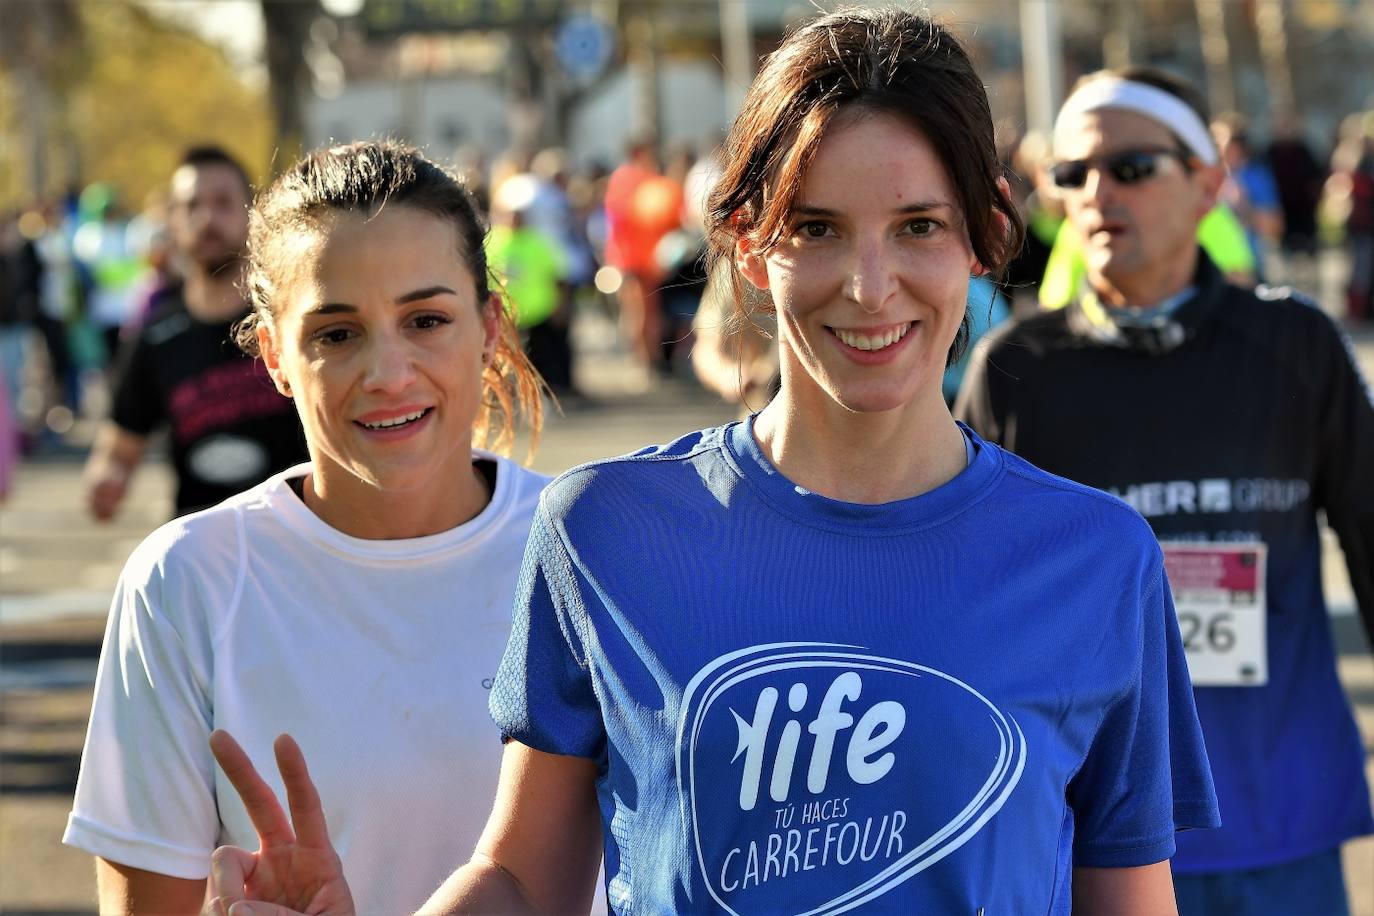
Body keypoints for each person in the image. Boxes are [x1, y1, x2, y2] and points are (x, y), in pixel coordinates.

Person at [209, 11, 1218, 914]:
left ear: (987, 236)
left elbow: (1127, 897)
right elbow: (523, 878)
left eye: (918, 227)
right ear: (746, 242)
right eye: (815, 229)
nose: (871, 288)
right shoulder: (606, 529)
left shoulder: (1095, 559)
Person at [63, 141, 548, 914]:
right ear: (275, 354)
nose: (388, 371)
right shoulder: (187, 582)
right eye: (335, 334)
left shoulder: (591, 549)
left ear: (489, 326)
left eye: (426, 319)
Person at [956, 66, 1374, 915]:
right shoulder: (1017, 370)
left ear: (1209, 184)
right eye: (1071, 175)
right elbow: (960, 601)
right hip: (1089, 842)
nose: (1099, 191)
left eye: (1133, 168)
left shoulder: (1294, 344)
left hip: (1279, 825)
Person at [82, 146, 309, 520]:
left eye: (223, 203)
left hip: (298, 544)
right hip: (200, 552)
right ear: (172, 221)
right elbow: (118, 449)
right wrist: (107, 478)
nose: (207, 218)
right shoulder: (155, 335)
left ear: (253, 215)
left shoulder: (292, 321)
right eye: (192, 206)